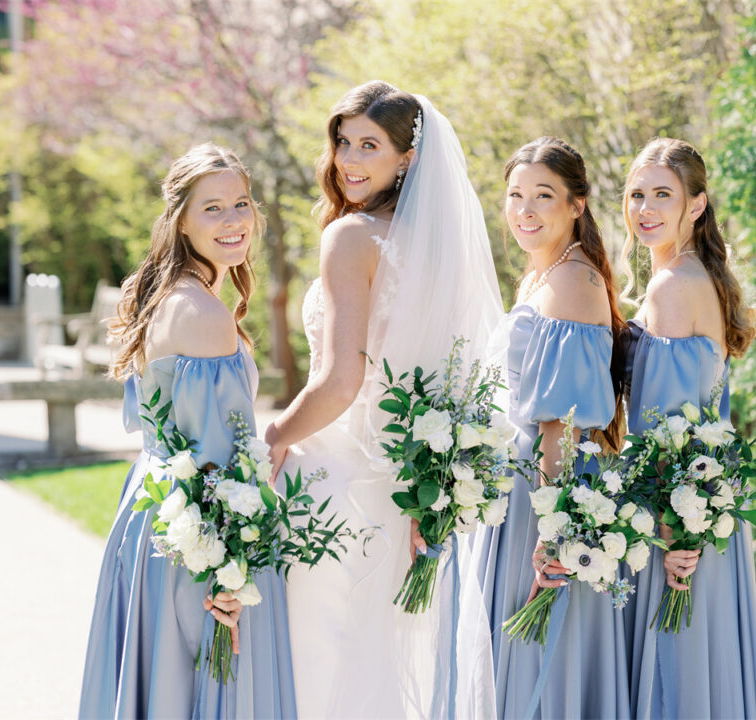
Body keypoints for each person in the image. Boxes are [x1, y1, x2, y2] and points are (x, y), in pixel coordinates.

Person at [264, 80, 504, 718]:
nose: (348, 159)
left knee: (318, 660)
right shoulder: (439, 249)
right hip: (405, 492)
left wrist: (273, 436)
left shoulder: (350, 238)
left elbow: (342, 381)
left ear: (408, 158)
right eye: (344, 141)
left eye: (369, 145)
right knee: (381, 666)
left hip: (336, 481)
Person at [79, 143, 296, 719]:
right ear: (180, 220)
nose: (234, 222)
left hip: (155, 512)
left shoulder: (162, 293)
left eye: (242, 204)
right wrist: (230, 571)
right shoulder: (202, 315)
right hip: (198, 537)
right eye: (213, 208)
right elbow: (220, 466)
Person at [470, 136, 631, 718]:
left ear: (576, 205)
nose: (526, 210)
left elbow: (557, 424)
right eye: (515, 196)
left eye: (543, 195)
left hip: (548, 486)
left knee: (541, 654)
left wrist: (552, 525)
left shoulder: (571, 281)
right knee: (515, 650)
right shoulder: (540, 277)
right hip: (520, 485)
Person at [620, 137, 756, 719]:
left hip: (674, 515)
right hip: (699, 504)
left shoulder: (673, 285)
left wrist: (677, 531)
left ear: (696, 205)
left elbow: (666, 428)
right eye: (635, 195)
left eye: (662, 195)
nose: (645, 209)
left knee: (672, 676)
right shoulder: (696, 273)